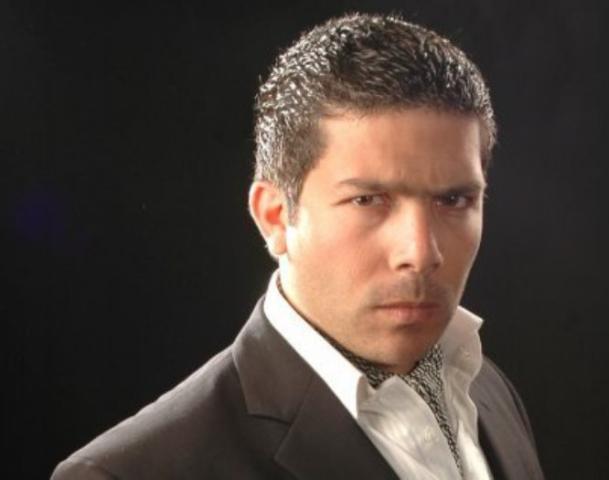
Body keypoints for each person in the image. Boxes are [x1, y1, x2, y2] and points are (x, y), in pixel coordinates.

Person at [52, 12, 544, 480]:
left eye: (454, 200)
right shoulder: (128, 473)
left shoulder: (486, 389)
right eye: (368, 200)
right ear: (274, 216)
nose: (420, 253)